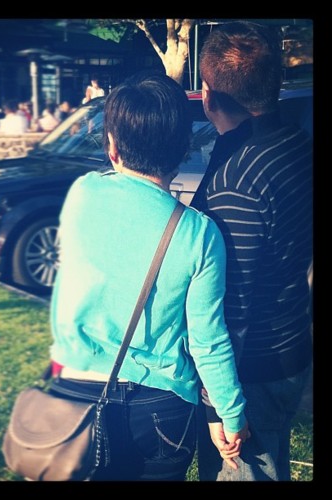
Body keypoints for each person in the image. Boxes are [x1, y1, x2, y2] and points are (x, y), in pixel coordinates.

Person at [48, 71, 249, 481]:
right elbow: (207, 340)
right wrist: (228, 415)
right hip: (161, 409)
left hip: (75, 394)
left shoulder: (82, 193)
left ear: (112, 147)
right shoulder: (198, 232)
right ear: (184, 149)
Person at [191, 21, 313, 481]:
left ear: (208, 96)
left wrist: (219, 406)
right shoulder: (296, 143)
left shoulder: (236, 182)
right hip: (290, 343)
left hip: (251, 370)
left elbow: (229, 305)